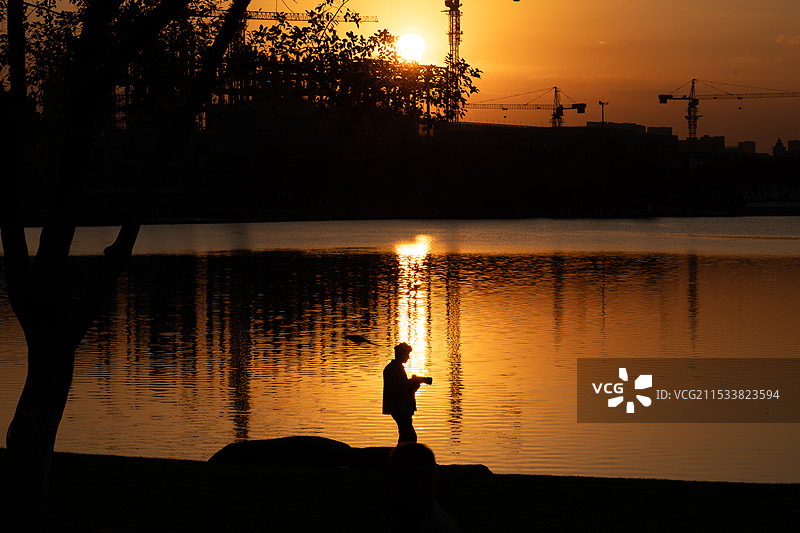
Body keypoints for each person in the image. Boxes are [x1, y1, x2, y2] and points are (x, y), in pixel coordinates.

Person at [382, 443, 462, 533]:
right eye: (410, 481)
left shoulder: (440, 526)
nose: (418, 488)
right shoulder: (392, 514)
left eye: (424, 479)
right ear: (393, 483)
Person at [383, 342, 425, 445]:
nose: (408, 357)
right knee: (408, 435)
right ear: (401, 354)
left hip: (402, 407)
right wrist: (414, 383)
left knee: (406, 435)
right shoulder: (393, 369)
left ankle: (401, 457)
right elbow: (399, 389)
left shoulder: (396, 367)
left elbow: (403, 387)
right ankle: (401, 458)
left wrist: (414, 384)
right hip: (399, 407)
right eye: (407, 354)